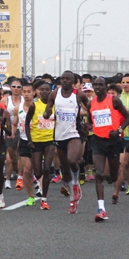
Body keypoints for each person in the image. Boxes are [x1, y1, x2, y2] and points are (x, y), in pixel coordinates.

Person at [44, 70, 90, 214]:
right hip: (59, 134)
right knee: (64, 167)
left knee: (72, 160)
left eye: (67, 79)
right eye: (62, 78)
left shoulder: (78, 95)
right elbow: (48, 109)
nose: (64, 81)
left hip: (74, 133)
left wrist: (88, 124)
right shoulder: (54, 94)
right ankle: (72, 199)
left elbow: (91, 109)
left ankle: (76, 183)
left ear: (73, 81)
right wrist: (46, 114)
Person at [89, 77, 129, 221]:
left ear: (106, 87)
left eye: (100, 85)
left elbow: (127, 118)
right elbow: (90, 121)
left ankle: (115, 178)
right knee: (99, 173)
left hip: (113, 141)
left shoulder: (114, 100)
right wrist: (87, 127)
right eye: (95, 85)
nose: (97, 87)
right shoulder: (92, 103)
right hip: (98, 141)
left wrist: (119, 130)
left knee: (113, 176)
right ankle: (101, 208)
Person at [25, 80, 56, 210]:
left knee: (47, 169)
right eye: (42, 89)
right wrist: (30, 140)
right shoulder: (34, 106)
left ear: (51, 92)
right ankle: (39, 183)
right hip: (36, 141)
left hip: (50, 140)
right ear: (38, 92)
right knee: (38, 172)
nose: (44, 92)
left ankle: (44, 199)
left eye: (47, 89)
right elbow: (27, 123)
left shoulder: (55, 106)